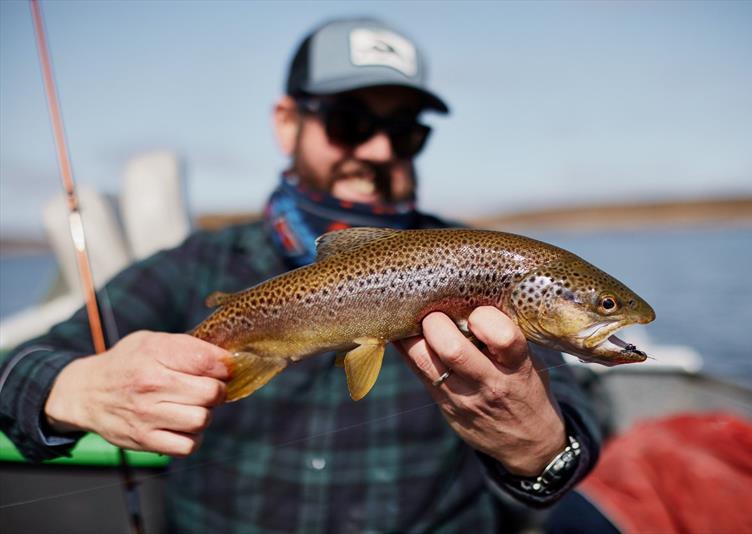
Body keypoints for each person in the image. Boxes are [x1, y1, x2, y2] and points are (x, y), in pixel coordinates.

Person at [0, 18, 601, 532]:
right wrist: (75, 388)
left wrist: (539, 450)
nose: (377, 151)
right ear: (287, 122)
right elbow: (16, 372)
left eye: (405, 130)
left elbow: (574, 430)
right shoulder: (197, 265)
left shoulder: (475, 263)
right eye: (348, 121)